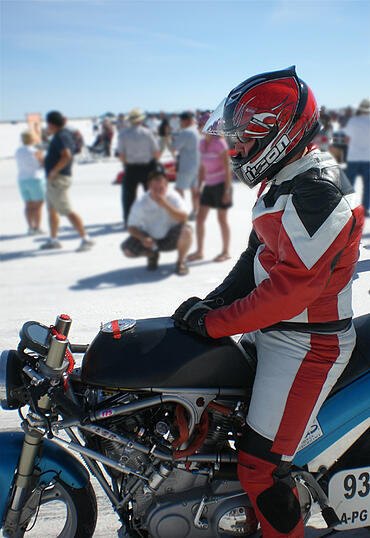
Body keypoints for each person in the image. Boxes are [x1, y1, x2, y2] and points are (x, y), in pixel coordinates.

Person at [172, 67, 364, 537]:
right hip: (277, 333)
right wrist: (211, 302)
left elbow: (289, 292)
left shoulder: (316, 192)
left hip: (307, 346)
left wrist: (215, 322)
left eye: (242, 138)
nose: (234, 149)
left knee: (260, 469)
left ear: (279, 133)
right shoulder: (288, 180)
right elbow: (256, 255)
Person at [121, 163, 192, 275]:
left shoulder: (173, 197)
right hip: (150, 238)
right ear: (149, 187)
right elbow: (131, 226)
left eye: (161, 188)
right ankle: (152, 255)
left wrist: (165, 205)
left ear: (166, 186)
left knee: (187, 231)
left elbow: (184, 218)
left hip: (170, 237)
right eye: (155, 188)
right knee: (127, 250)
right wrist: (142, 238)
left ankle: (180, 262)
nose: (158, 191)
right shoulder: (141, 202)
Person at [41, 111, 95, 252]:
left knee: (67, 210)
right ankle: (53, 240)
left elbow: (66, 155)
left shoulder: (61, 136)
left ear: (51, 124)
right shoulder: (61, 135)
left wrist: (53, 171)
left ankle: (86, 239)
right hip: (54, 179)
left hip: (58, 179)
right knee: (51, 209)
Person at [187, 113, 232, 262]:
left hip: (221, 185)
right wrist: (198, 188)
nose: (198, 128)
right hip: (209, 185)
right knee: (200, 219)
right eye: (199, 125)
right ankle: (199, 251)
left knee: (221, 219)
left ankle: (225, 252)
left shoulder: (220, 144)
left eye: (200, 125)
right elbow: (201, 168)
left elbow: (227, 170)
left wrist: (226, 191)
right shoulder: (201, 144)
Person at [117, 108, 160, 227]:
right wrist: (155, 163)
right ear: (140, 120)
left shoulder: (123, 134)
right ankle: (153, 219)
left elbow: (121, 153)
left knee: (129, 197)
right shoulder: (147, 132)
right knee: (151, 195)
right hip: (147, 167)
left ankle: (129, 221)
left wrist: (125, 164)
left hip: (131, 167)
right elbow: (156, 151)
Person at [171, 111, 201, 219]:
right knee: (195, 191)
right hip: (198, 165)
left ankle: (181, 212)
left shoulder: (185, 132)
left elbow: (175, 147)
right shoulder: (198, 131)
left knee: (179, 190)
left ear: (185, 120)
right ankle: (195, 212)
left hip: (186, 166)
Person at [15, 131, 45, 235]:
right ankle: (37, 227)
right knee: (38, 205)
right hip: (35, 178)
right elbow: (43, 164)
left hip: (22, 179)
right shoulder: (36, 151)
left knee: (28, 205)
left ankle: (30, 227)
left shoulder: (18, 151)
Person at [344, 98, 370, 216]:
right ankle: (365, 209)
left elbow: (347, 139)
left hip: (353, 156)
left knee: (349, 184)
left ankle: (348, 207)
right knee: (368, 185)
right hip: (367, 157)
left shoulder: (353, 121)